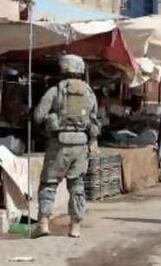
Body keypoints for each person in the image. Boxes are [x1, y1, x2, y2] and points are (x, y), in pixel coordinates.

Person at [33, 54, 100, 238]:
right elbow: (95, 123)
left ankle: (44, 223)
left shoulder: (55, 91)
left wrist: (50, 120)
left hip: (59, 144)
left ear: (63, 69)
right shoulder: (89, 93)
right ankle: (75, 226)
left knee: (49, 184)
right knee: (77, 185)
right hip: (80, 145)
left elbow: (38, 116)